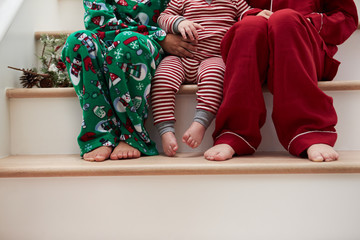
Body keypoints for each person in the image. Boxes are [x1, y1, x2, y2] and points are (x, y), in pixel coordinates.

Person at [204, 0, 358, 162]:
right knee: (249, 26)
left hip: (305, 51)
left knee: (285, 19)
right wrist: (252, 14)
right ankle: (234, 133)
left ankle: (309, 132)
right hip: (254, 47)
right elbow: (224, 8)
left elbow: (347, 18)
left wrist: (311, 22)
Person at [62, 0, 197, 161]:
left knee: (130, 42)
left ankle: (132, 134)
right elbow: (99, 25)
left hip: (144, 50)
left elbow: (178, 13)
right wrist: (161, 36)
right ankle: (100, 133)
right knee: (77, 41)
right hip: (113, 42)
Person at [151, 0, 250, 156]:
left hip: (213, 57)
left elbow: (247, 16)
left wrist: (258, 15)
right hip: (181, 57)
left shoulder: (235, 1)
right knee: (162, 78)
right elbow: (163, 17)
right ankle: (165, 131)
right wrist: (178, 23)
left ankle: (200, 124)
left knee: (215, 75)